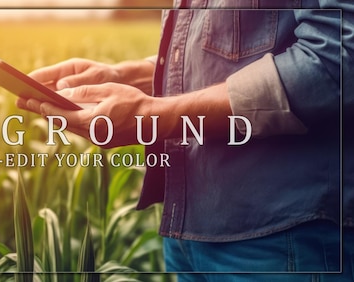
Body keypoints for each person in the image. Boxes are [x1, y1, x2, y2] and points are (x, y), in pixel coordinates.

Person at [17, 1, 354, 281]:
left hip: (282, 236)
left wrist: (156, 117)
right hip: (189, 233)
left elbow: (337, 60)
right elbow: (217, 58)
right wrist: (126, 76)